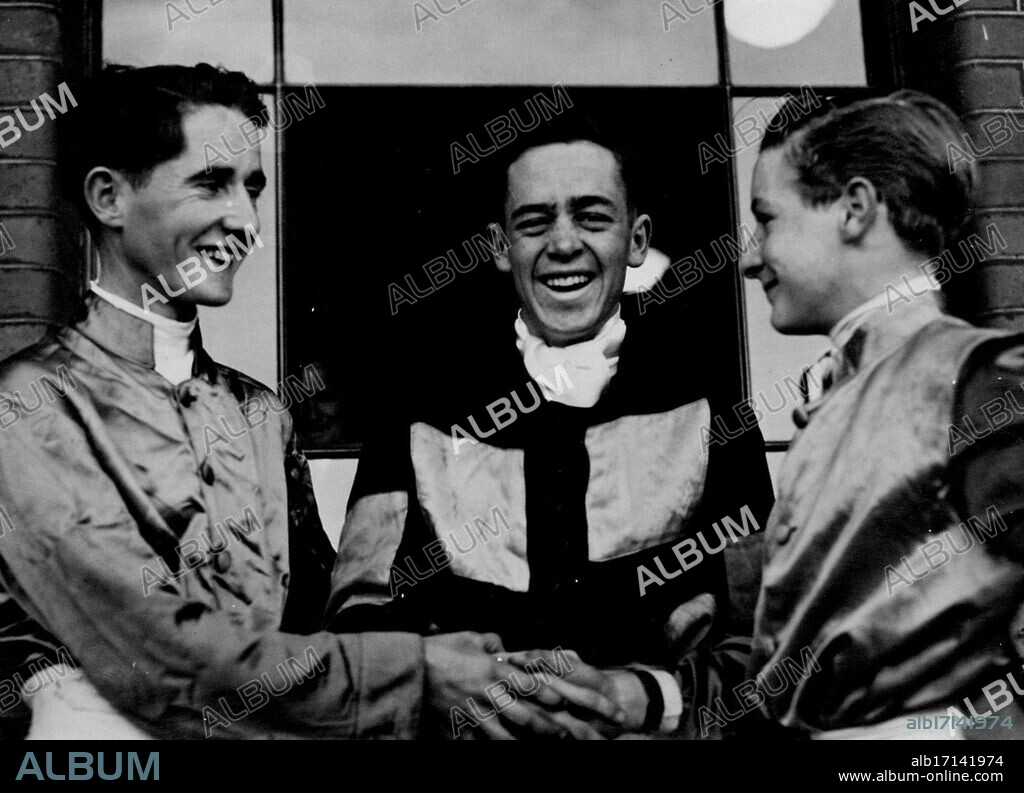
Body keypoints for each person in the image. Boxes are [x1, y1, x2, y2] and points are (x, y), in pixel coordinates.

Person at [0, 64, 621, 740]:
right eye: (212, 183)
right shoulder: (25, 405)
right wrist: (416, 672)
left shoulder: (261, 416)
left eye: (253, 190)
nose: (245, 220)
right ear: (108, 197)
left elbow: (320, 624)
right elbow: (159, 656)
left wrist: (494, 676)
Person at [325, 116, 775, 737]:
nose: (563, 244)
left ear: (637, 239)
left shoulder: (708, 407)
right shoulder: (417, 408)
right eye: (534, 223)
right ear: (499, 247)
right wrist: (441, 683)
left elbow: (764, 640)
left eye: (592, 217)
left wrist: (647, 695)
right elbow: (356, 624)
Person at [682, 90, 1023, 739]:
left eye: (769, 219)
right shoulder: (842, 388)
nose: (752, 257)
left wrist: (961, 741)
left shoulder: (977, 377)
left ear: (855, 210)